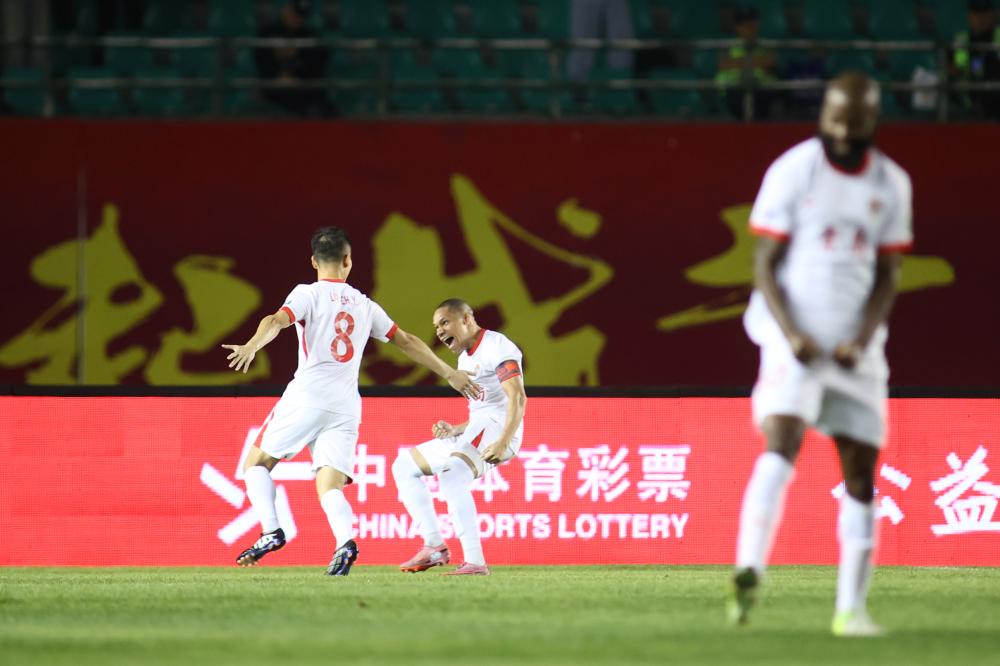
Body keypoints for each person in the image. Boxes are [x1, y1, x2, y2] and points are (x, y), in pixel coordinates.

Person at [727, 72, 913, 637]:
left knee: (860, 473)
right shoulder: (794, 170)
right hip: (795, 337)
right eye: (834, 118)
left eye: (853, 121)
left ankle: (851, 610)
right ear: (823, 115)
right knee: (782, 439)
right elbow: (764, 264)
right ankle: (748, 570)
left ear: (871, 120)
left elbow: (888, 275)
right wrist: (792, 334)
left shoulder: (892, 183)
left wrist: (863, 338)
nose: (842, 130)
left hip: (856, 348)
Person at [222, 227, 481, 576]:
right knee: (329, 485)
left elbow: (276, 321)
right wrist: (449, 373)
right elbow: (406, 341)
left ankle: (271, 531)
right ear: (348, 260)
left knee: (255, 465)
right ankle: (345, 542)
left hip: (307, 396)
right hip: (346, 405)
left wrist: (253, 345)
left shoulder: (307, 294)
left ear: (314, 261)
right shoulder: (364, 304)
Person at [390, 299, 527, 576]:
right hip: (481, 427)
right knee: (403, 466)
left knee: (452, 476)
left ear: (466, 319)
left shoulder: (497, 347)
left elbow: (517, 398)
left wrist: (503, 441)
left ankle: (475, 562)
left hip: (500, 429)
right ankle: (434, 546)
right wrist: (456, 429)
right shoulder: (465, 358)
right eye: (436, 327)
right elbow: (482, 410)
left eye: (444, 322)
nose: (439, 331)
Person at [255, 0, 332, 117]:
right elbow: (262, 62)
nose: (296, 19)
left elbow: (317, 64)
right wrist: (277, 75)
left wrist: (297, 76)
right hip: (274, 89)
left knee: (322, 108)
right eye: (294, 13)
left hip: (302, 89)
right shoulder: (267, 33)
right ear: (286, 9)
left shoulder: (309, 36)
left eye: (300, 16)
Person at [715, 6, 778, 119]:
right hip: (733, 92)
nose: (751, 28)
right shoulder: (727, 46)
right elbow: (723, 64)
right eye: (746, 25)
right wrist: (755, 62)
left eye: (754, 24)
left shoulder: (765, 46)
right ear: (738, 28)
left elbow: (770, 62)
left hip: (762, 91)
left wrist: (739, 62)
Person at [950, 0, 1000, 119]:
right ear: (969, 17)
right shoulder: (961, 40)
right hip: (968, 107)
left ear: (993, 15)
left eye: (985, 14)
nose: (981, 19)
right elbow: (952, 68)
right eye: (976, 14)